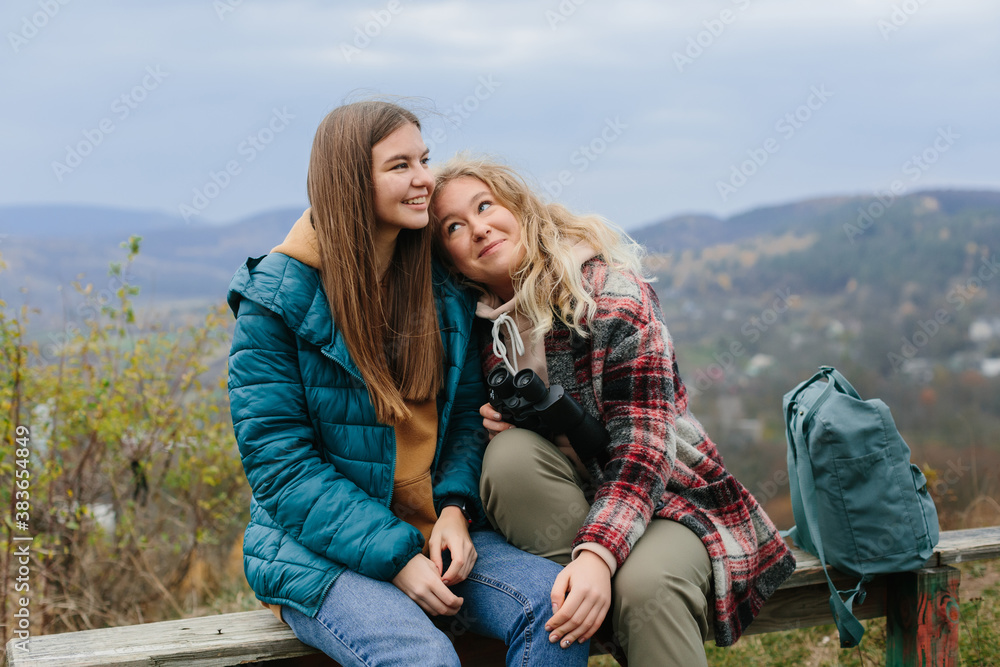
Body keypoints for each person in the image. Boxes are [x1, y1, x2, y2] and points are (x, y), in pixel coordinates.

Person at [226, 101, 590, 667]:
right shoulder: (275, 299)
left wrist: (453, 509)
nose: (425, 177)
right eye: (400, 166)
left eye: (423, 158)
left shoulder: (437, 279)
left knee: (552, 609)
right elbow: (281, 466)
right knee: (422, 657)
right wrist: (395, 556)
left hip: (434, 531)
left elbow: (468, 416)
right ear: (350, 181)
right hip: (320, 553)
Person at [429, 155, 797, 665]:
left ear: (518, 206)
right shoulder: (476, 329)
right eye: (454, 226)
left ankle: (601, 590)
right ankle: (584, 601)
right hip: (570, 497)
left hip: (665, 495)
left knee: (644, 588)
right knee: (509, 455)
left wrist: (599, 556)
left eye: (485, 205)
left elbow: (643, 451)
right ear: (450, 260)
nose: (478, 228)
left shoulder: (608, 298)